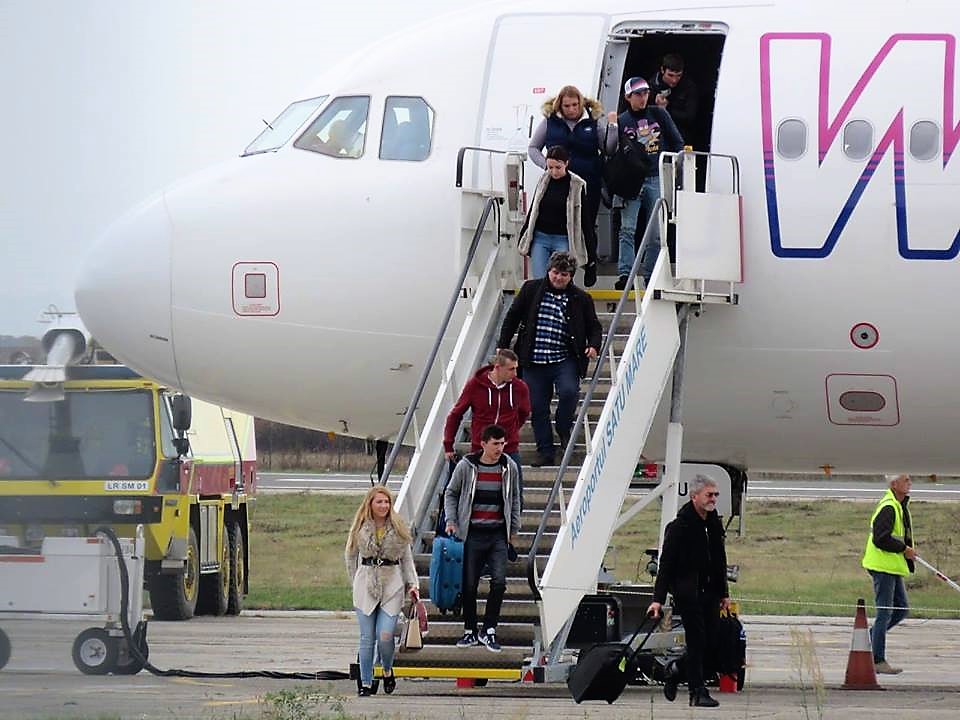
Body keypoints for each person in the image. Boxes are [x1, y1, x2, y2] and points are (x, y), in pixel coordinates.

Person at [496, 251, 602, 467]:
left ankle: (563, 427)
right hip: (533, 360)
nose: (558, 278)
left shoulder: (581, 299)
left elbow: (594, 326)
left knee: (569, 392)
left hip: (565, 359)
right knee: (537, 407)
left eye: (564, 274)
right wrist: (503, 345)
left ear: (571, 276)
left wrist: (593, 345)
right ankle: (545, 451)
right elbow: (512, 317)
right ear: (548, 271)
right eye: (555, 273)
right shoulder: (531, 289)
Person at [648, 474, 730, 708]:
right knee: (697, 641)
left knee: (710, 643)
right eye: (709, 495)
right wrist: (657, 599)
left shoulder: (714, 524)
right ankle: (697, 691)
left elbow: (720, 560)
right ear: (694, 496)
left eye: (715, 495)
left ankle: (675, 669)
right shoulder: (679, 527)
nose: (713, 499)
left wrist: (724, 593)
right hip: (688, 594)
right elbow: (666, 565)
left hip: (710, 593)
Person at [528, 85, 618, 287]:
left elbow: (608, 148)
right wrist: (547, 165)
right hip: (558, 180)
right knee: (563, 222)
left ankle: (590, 262)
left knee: (587, 224)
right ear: (560, 105)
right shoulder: (550, 122)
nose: (571, 109)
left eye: (575, 105)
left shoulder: (592, 121)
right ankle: (564, 268)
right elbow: (533, 148)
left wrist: (613, 127)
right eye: (567, 106)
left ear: (581, 103)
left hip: (587, 182)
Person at [444, 424, 521, 653]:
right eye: (495, 444)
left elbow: (515, 498)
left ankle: (489, 629)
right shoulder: (466, 466)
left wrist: (513, 530)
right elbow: (451, 493)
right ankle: (470, 629)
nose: (500, 448)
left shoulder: (509, 467)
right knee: (469, 584)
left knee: (499, 582)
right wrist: (451, 520)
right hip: (472, 533)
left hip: (497, 534)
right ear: (483, 443)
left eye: (503, 443)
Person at [344, 485, 419, 696]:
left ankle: (387, 669)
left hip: (391, 584)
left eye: (387, 502)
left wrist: (413, 584)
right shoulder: (360, 527)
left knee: (385, 636)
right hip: (366, 583)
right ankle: (366, 682)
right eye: (379, 502)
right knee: (367, 638)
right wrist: (356, 581)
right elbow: (350, 556)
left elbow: (407, 560)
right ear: (370, 504)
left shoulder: (398, 528)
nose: (384, 505)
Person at [614, 76, 684, 291]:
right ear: (628, 97)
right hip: (632, 180)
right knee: (627, 228)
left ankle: (650, 275)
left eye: (645, 93)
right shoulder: (622, 120)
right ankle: (625, 274)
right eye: (638, 94)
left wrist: (676, 167)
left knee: (656, 233)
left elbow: (677, 141)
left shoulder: (659, 114)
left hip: (656, 176)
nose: (643, 97)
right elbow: (612, 150)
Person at [442, 348, 530, 498]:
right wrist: (448, 445)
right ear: (498, 367)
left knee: (515, 494)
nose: (515, 373)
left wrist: (511, 432)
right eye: (511, 369)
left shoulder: (519, 387)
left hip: (508, 449)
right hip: (480, 449)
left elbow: (524, 412)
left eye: (516, 368)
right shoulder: (475, 385)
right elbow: (456, 414)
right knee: (474, 494)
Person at [861, 473, 916, 674]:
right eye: (906, 480)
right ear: (894, 484)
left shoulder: (899, 505)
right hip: (882, 567)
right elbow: (880, 539)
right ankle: (877, 659)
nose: (910, 483)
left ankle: (868, 639)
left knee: (901, 609)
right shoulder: (889, 507)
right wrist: (904, 549)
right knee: (884, 612)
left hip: (892, 567)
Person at [517, 146, 587, 279]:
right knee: (539, 279)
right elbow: (534, 208)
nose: (554, 172)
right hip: (540, 237)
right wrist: (524, 233)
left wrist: (591, 255)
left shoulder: (577, 185)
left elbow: (583, 219)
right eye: (550, 167)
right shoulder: (543, 180)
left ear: (566, 163)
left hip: (563, 238)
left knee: (560, 278)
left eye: (558, 167)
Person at [648, 53, 699, 148]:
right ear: (662, 70)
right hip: (655, 137)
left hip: (680, 136)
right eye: (670, 75)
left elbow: (690, 117)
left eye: (678, 76)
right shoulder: (650, 86)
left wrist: (667, 108)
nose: (674, 80)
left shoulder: (688, 87)